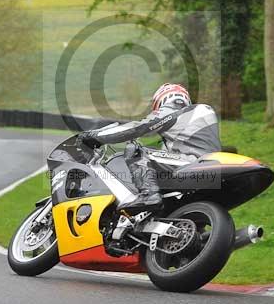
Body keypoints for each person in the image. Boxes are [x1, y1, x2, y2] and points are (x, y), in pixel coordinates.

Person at [79, 83, 221, 212]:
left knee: (136, 151)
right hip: (208, 169)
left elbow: (136, 128)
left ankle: (149, 195)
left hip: (192, 163)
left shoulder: (172, 112)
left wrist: (94, 136)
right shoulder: (197, 115)